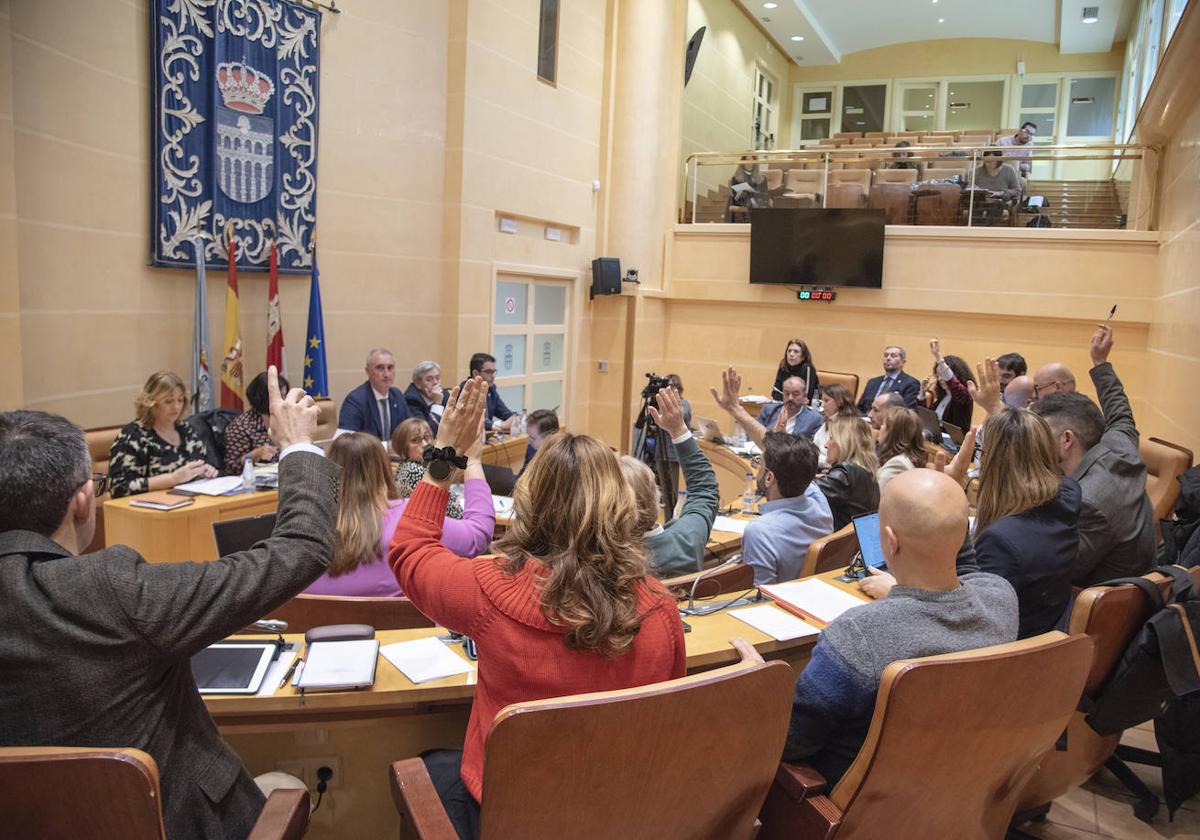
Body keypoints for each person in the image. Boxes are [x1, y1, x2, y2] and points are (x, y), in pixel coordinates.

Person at [0, 369, 339, 840]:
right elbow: (300, 549)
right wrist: (299, 447)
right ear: (82, 502)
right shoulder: (111, 591)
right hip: (176, 824)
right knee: (282, 785)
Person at [389, 378, 686, 838]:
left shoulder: (490, 590)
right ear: (621, 504)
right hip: (617, 814)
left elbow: (409, 551)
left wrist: (443, 456)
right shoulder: (662, 610)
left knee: (430, 766)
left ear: (530, 500)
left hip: (508, 812)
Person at [783, 470, 1018, 786]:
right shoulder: (1001, 598)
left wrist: (763, 687)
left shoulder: (858, 635)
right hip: (957, 791)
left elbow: (792, 742)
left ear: (889, 542)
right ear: (965, 535)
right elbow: (969, 575)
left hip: (843, 807)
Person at [1031, 325, 1155, 586]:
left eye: (1041, 436)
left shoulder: (1087, 502)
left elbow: (1061, 571)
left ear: (1067, 439)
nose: (1035, 444)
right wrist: (1100, 363)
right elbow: (1120, 413)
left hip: (1102, 608)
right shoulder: (1119, 447)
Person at [306, 432, 493, 597]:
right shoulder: (410, 516)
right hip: (408, 637)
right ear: (384, 470)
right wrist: (473, 462)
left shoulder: (302, 527)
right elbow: (478, 535)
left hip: (312, 635)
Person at [972, 408, 1080, 638]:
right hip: (1046, 633)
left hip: (1010, 654)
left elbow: (974, 623)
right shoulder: (1069, 495)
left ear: (992, 461)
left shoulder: (1000, 541)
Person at [620, 387, 718, 578]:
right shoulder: (686, 540)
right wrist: (679, 430)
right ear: (655, 500)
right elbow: (704, 489)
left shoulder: (604, 562)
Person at [740, 431, 834, 586]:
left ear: (769, 478)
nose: (757, 469)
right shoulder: (819, 501)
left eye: (759, 463)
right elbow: (799, 464)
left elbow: (760, 597)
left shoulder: (759, 532)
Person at [107, 370, 218, 497]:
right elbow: (119, 487)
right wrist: (173, 479)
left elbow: (200, 464)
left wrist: (204, 472)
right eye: (169, 401)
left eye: (180, 400)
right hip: (150, 510)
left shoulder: (187, 430)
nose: (176, 407)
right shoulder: (133, 436)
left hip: (191, 504)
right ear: (151, 403)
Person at [816, 416, 881, 530]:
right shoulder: (867, 472)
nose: (826, 445)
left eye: (831, 438)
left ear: (843, 443)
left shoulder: (845, 474)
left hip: (833, 543)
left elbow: (801, 491)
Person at [390, 418, 464, 518]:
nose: (425, 444)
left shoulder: (407, 465)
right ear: (403, 446)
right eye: (415, 440)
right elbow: (451, 511)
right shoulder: (413, 471)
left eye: (426, 437)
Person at [222, 370, 288, 474]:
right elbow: (230, 468)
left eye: (285, 395)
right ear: (264, 398)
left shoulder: (287, 420)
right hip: (255, 484)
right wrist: (253, 456)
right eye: (281, 396)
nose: (284, 401)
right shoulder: (242, 426)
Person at [339, 348, 410, 440]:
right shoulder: (355, 400)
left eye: (390, 367)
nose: (386, 374)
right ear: (368, 371)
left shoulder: (397, 395)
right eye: (380, 368)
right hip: (367, 454)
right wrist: (387, 447)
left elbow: (409, 430)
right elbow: (345, 442)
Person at [653, 374, 694, 518]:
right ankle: (666, 518)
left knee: (673, 492)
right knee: (663, 491)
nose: (670, 390)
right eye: (667, 387)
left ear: (679, 388)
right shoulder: (661, 404)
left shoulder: (684, 404)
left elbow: (683, 417)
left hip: (674, 454)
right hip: (661, 452)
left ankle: (673, 519)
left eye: (673, 386)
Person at [920, 338, 974, 432]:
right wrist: (922, 393)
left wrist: (938, 357)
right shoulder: (943, 396)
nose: (940, 379)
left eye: (943, 375)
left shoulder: (964, 395)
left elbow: (954, 384)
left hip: (954, 445)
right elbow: (926, 418)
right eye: (938, 375)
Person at [876, 407, 928, 491]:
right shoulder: (903, 458)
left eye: (883, 424)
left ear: (891, 432)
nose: (880, 428)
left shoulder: (898, 464)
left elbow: (878, 497)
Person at [856, 345, 921, 413]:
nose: (888, 358)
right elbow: (859, 408)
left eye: (893, 356)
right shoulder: (872, 382)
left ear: (903, 362)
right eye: (886, 355)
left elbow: (907, 412)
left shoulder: (910, 383)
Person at [759, 377, 824, 439]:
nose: (790, 398)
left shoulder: (815, 419)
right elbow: (752, 434)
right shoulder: (769, 409)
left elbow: (811, 447)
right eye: (787, 393)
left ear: (804, 396)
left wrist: (785, 436)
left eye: (795, 394)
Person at [463, 352, 513, 432]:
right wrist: (499, 425)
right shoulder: (465, 391)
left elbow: (505, 413)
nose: (493, 376)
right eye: (489, 372)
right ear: (476, 373)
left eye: (494, 371)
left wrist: (515, 418)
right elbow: (472, 420)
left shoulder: (491, 390)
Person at [970, 150, 1021, 225]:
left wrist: (1001, 193)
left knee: (995, 206)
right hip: (982, 200)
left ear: (999, 160)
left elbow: (1017, 190)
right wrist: (975, 189)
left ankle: (990, 232)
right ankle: (974, 232)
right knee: (974, 206)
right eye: (986, 161)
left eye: (991, 161)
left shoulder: (1008, 170)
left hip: (999, 200)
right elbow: (969, 187)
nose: (988, 164)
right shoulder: (978, 171)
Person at [813, 383, 858, 466]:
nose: (822, 405)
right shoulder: (828, 422)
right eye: (822, 401)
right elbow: (814, 448)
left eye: (826, 400)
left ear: (840, 401)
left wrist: (813, 459)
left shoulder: (851, 427)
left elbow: (838, 461)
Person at [404, 361, 446, 433]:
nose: (435, 382)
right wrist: (437, 404)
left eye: (437, 378)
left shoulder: (444, 395)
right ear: (418, 384)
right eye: (429, 379)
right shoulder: (411, 400)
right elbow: (426, 432)